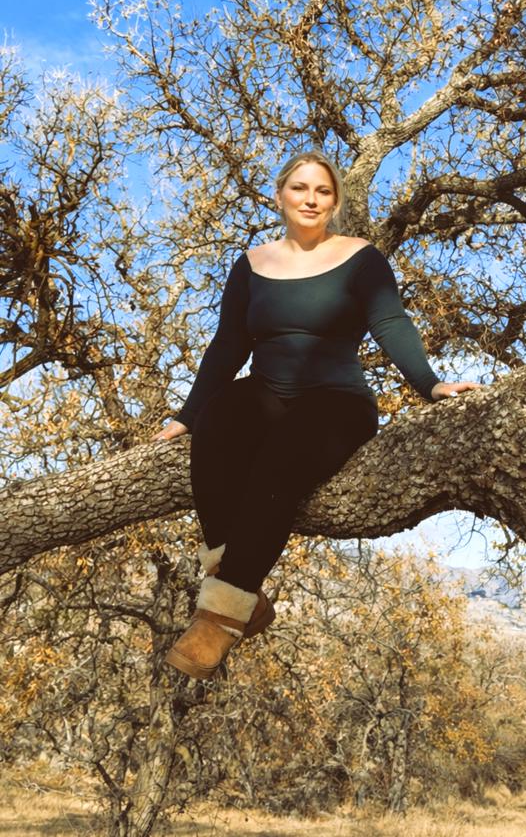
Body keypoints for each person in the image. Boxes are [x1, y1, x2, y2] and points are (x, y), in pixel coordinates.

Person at [153, 150, 481, 679]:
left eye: (323, 191)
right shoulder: (252, 264)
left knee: (277, 463)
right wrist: (188, 415)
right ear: (280, 195)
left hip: (336, 403)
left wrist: (431, 383)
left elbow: (391, 323)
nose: (311, 199)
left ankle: (220, 618)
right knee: (216, 424)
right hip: (265, 392)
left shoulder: (360, 257)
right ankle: (241, 588)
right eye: (300, 188)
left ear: (334, 202)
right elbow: (228, 344)